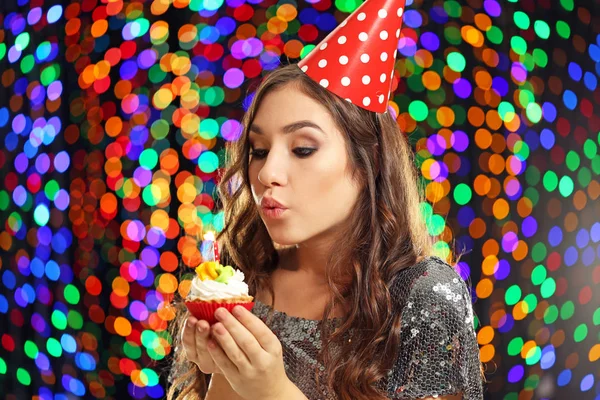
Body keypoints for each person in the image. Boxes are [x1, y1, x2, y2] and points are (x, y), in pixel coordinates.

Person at [166, 0, 486, 398]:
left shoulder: (425, 296)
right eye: (259, 150)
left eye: (302, 149)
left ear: (366, 161)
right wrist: (222, 374)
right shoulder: (244, 274)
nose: (266, 174)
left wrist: (273, 392)